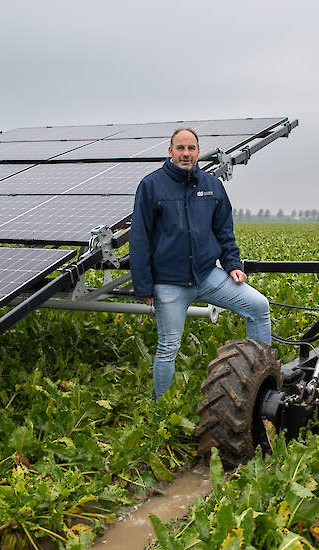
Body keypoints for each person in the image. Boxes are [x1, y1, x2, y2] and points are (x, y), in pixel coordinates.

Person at [129, 127, 271, 399]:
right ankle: (163, 408)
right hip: (169, 283)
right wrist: (144, 287)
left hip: (208, 277)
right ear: (170, 152)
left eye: (191, 148)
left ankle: (261, 381)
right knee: (168, 347)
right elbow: (140, 239)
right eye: (180, 148)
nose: (186, 154)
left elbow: (224, 231)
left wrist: (233, 265)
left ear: (197, 151)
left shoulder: (211, 185)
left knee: (258, 306)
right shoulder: (151, 185)